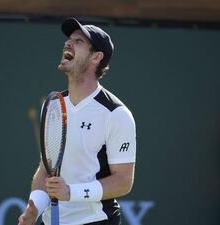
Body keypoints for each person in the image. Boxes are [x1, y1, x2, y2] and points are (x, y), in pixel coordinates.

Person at [18, 17, 136, 225]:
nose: (68, 43)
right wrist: (34, 208)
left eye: (79, 42)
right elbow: (46, 168)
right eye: (69, 39)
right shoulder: (53, 105)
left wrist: (71, 192)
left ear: (96, 57)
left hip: (97, 220)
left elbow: (123, 181)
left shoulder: (116, 114)